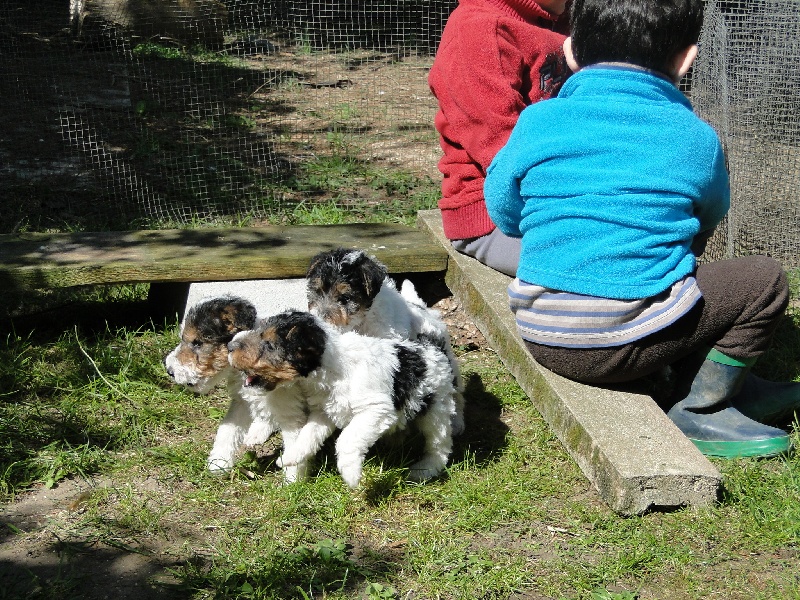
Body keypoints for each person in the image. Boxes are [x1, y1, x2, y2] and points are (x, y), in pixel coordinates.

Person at [484, 0, 798, 458]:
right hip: (627, 343)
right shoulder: (696, 137)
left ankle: (722, 383)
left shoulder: (536, 121)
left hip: (544, 332)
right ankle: (703, 407)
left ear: (570, 51)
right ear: (687, 58)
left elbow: (505, 214)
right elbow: (705, 221)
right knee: (762, 279)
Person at [428, 0, 571, 276]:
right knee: (596, 261)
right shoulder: (478, 30)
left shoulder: (566, 18)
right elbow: (501, 148)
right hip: (493, 211)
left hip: (559, 196)